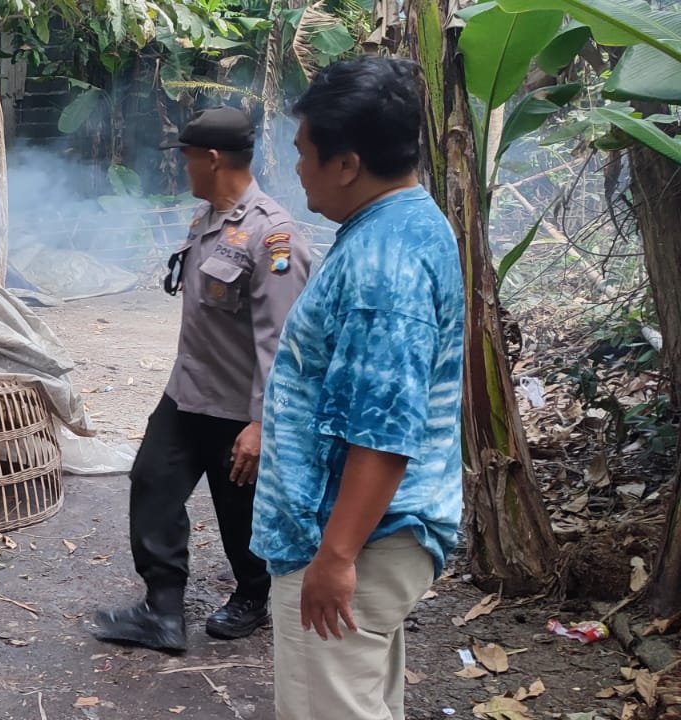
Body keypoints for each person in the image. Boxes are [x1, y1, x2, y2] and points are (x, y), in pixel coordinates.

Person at [252, 56, 464, 720]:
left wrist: (336, 557)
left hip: (355, 539)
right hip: (367, 531)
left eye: (305, 151)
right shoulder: (402, 224)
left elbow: (384, 430)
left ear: (346, 163)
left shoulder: (383, 266)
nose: (296, 168)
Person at [93, 106, 312, 653]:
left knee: (239, 511)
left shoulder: (273, 237)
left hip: (241, 406)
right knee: (152, 486)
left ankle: (252, 595)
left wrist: (262, 424)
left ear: (212, 159)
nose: (183, 168)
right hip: (187, 393)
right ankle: (162, 611)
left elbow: (283, 343)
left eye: (188, 158)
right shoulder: (207, 220)